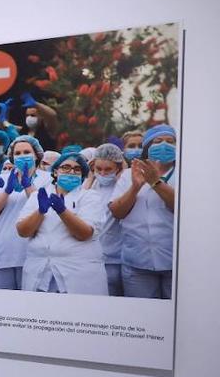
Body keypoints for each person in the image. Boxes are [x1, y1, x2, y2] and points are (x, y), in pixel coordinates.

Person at [16, 153, 107, 294]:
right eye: (66, 167)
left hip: (79, 274)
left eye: (77, 169)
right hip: (40, 272)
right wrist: (40, 211)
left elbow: (85, 233)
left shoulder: (90, 197)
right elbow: (23, 231)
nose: (72, 171)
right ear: (55, 172)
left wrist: (62, 211)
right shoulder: (38, 196)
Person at [109, 123, 176, 298]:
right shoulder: (128, 174)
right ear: (147, 147)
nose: (164, 145)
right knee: (141, 318)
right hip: (136, 263)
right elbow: (117, 212)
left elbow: (182, 209)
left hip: (175, 264)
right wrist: (135, 187)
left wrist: (155, 182)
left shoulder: (185, 174)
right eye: (158, 141)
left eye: (170, 141)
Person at [0, 135, 49, 290]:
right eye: (17, 153)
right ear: (11, 156)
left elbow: (43, 208)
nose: (22, 156)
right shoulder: (1, 179)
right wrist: (6, 191)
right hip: (1, 254)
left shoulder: (47, 179)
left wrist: (28, 185)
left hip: (30, 254)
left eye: (27, 152)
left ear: (36, 155)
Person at [85, 143, 126, 296]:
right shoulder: (90, 186)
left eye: (108, 169)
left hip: (116, 259)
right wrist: (90, 178)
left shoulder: (122, 187)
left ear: (118, 168)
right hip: (91, 258)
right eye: (98, 169)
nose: (102, 174)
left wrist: (123, 178)